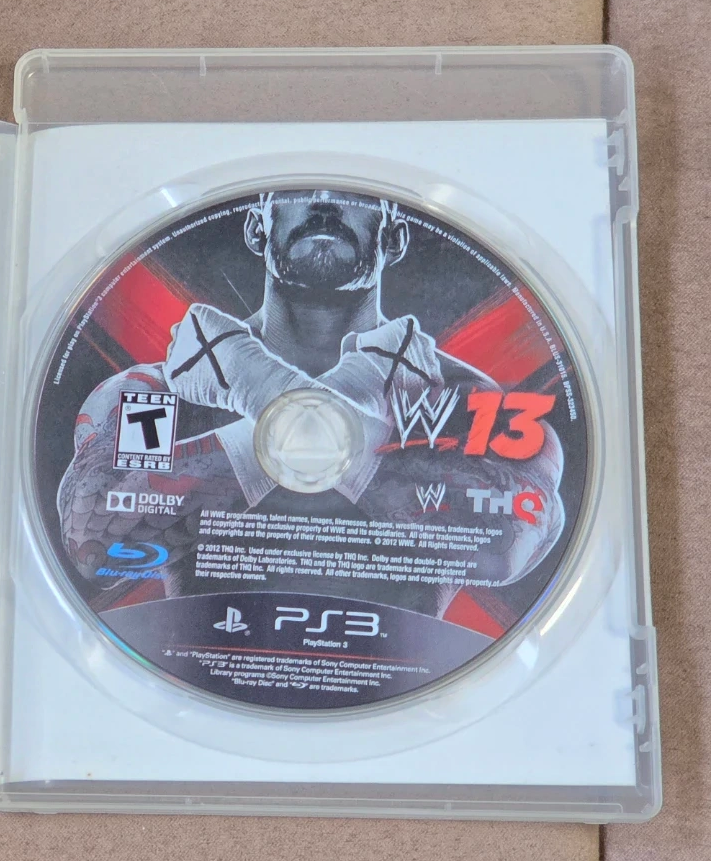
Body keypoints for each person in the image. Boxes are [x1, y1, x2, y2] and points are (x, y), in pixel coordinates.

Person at [58, 189, 564, 615]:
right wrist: (352, 395)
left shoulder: (460, 399)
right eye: (297, 194)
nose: (324, 204)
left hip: (402, 687)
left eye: (356, 197)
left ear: (394, 237)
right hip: (198, 678)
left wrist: (252, 381)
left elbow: (506, 546)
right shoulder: (158, 397)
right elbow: (94, 542)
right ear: (256, 229)